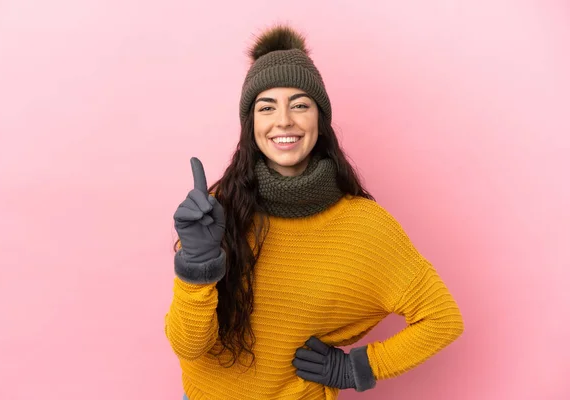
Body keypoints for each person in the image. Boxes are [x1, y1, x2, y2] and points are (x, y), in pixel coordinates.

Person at [165, 24, 464, 400]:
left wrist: (356, 368)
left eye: (300, 104)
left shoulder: (365, 226)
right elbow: (189, 347)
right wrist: (197, 264)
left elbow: (442, 319)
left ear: (320, 121)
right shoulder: (217, 209)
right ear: (251, 124)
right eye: (267, 106)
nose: (284, 120)